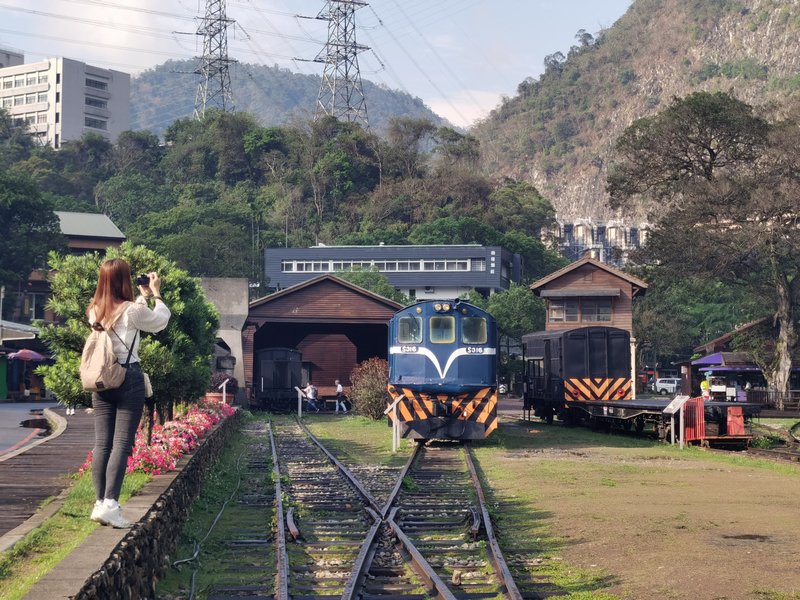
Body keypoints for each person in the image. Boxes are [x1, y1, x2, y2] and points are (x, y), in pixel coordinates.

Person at [87, 259, 170, 528]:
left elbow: (131, 322)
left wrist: (142, 298)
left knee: (103, 444)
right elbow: (159, 322)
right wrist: (155, 293)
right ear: (125, 280)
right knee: (122, 443)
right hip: (128, 378)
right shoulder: (131, 310)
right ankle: (111, 503)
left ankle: (100, 503)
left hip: (102, 380)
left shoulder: (94, 309)